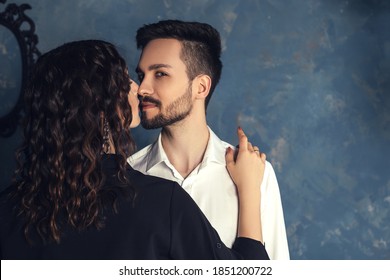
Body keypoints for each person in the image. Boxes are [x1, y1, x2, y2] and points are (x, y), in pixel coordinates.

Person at [0, 39, 269, 260]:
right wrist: (249, 189)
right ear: (101, 106)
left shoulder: (8, 208)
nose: (138, 88)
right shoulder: (161, 203)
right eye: (124, 79)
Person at [129, 19, 290, 260]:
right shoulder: (127, 175)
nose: (142, 88)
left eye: (160, 74)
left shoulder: (257, 175)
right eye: (142, 75)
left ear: (201, 87)